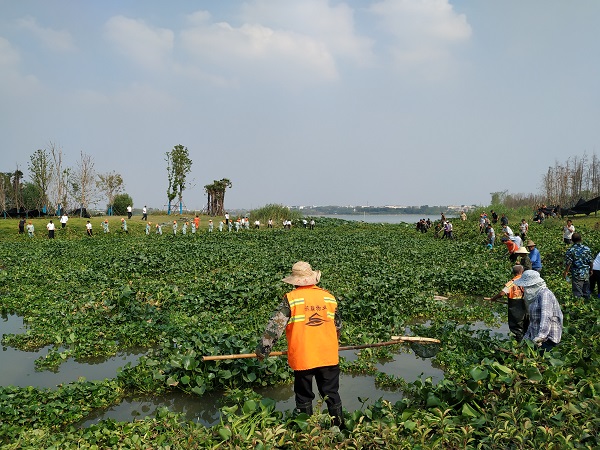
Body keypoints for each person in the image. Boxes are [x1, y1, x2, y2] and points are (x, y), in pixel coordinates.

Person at [255, 261, 343, 427]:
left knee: (304, 396)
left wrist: (263, 350)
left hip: (304, 357)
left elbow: (275, 327)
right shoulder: (329, 298)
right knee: (331, 393)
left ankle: (307, 432)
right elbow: (338, 327)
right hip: (328, 355)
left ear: (295, 281)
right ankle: (339, 429)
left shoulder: (291, 299)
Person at [514, 270, 563, 352]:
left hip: (548, 340)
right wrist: (524, 340)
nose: (525, 289)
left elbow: (546, 316)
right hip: (537, 338)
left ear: (533, 285)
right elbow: (533, 322)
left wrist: (541, 337)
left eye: (526, 286)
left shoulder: (545, 294)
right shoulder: (535, 296)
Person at [485, 265, 528, 342]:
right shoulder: (527, 281)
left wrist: (493, 298)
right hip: (526, 306)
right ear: (522, 272)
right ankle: (527, 344)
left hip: (515, 307)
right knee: (526, 325)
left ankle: (519, 344)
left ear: (513, 273)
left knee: (516, 327)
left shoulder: (511, 283)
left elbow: (502, 293)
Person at [563, 232, 593, 299]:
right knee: (586, 291)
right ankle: (587, 306)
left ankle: (579, 307)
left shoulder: (571, 250)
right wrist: (591, 270)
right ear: (581, 239)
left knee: (577, 293)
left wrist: (566, 272)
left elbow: (568, 263)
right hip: (586, 273)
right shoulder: (587, 249)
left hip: (577, 274)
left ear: (572, 240)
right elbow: (591, 261)